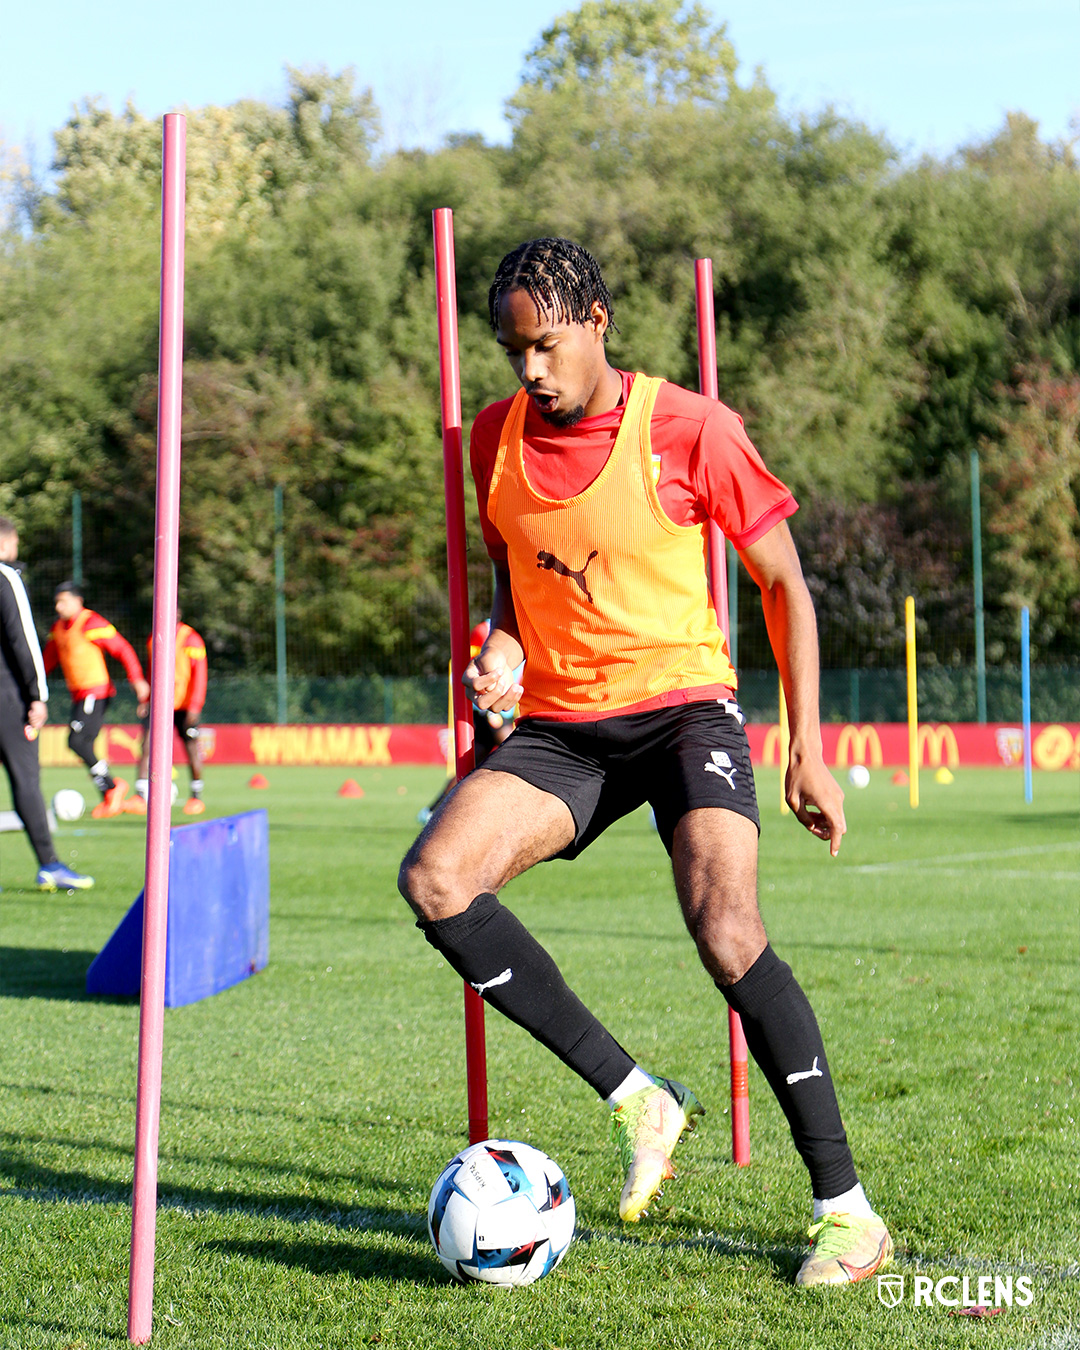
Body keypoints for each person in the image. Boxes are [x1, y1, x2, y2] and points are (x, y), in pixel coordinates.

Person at [399, 238, 892, 1288]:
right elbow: (509, 581)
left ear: (595, 323)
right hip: (562, 730)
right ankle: (638, 1097)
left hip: (681, 717)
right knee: (438, 879)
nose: (528, 372)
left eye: (543, 346)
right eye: (510, 350)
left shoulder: (689, 428)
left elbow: (784, 586)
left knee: (728, 929)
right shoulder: (491, 437)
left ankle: (847, 1213)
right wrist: (499, 647)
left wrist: (808, 748)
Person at [0, 520, 93, 890]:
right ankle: (50, 865)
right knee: (26, 781)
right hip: (7, 699)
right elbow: (21, 637)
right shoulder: (6, 576)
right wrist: (37, 694)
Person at [43, 583, 150, 819]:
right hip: (79, 696)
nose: (58, 606)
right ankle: (110, 792)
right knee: (79, 743)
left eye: (63, 601)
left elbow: (123, 649)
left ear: (78, 601)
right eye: (57, 602)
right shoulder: (58, 628)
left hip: (96, 693)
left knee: (77, 741)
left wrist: (137, 679)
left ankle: (112, 788)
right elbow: (47, 661)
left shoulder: (92, 623)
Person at [417, 620, 517, 826]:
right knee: (516, 751)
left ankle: (432, 811)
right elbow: (474, 665)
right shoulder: (486, 629)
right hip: (489, 707)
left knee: (471, 763)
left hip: (505, 707)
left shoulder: (529, 623)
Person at [124, 616, 208, 816]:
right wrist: (146, 699)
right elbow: (152, 672)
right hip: (159, 703)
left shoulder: (191, 639)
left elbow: (200, 674)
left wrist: (195, 705)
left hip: (184, 705)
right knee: (146, 745)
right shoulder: (154, 637)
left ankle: (196, 797)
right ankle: (140, 795)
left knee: (191, 747)